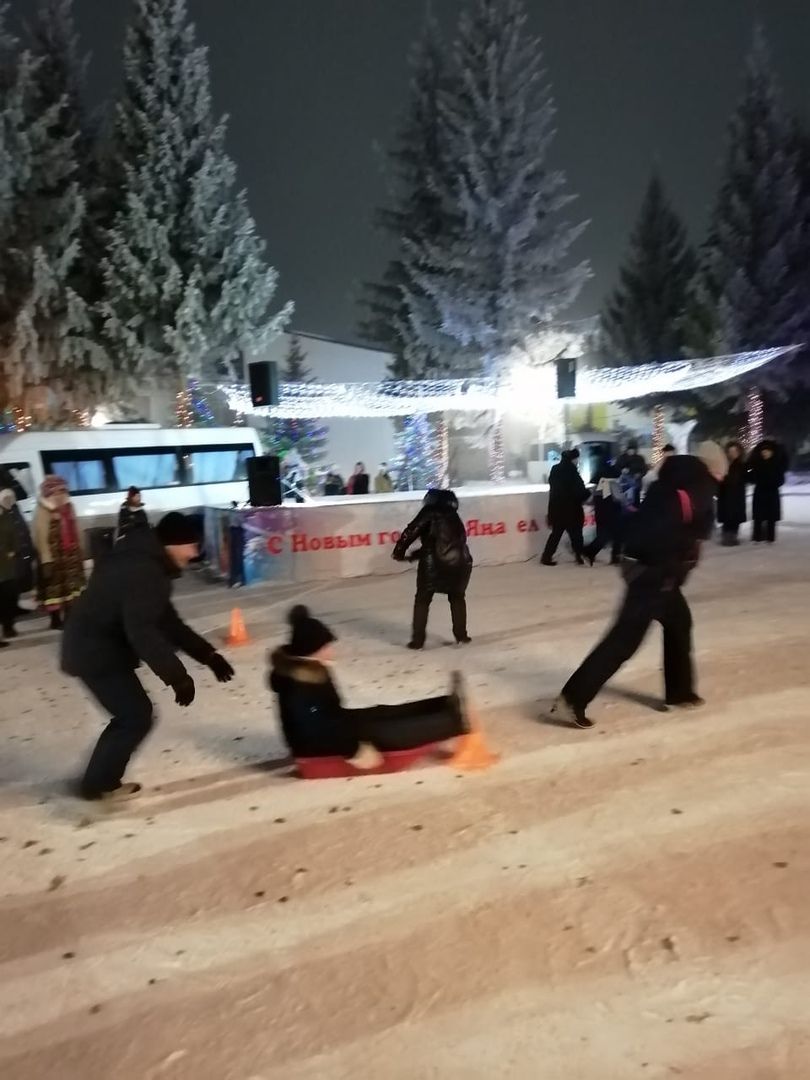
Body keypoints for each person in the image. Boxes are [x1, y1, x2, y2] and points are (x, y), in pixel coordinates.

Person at [61, 512, 235, 802]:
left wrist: (208, 655)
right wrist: (177, 678)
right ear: (172, 544)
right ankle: (98, 784)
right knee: (134, 716)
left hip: (99, 647)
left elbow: (168, 622)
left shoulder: (144, 562)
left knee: (134, 715)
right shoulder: (144, 571)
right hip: (94, 651)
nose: (195, 553)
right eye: (191, 545)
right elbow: (142, 633)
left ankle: (99, 780)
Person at [550, 454, 716, 728]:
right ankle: (572, 699)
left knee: (679, 624)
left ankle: (679, 692)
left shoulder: (667, 490)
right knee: (623, 641)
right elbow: (656, 536)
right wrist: (670, 564)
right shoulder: (685, 496)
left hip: (658, 574)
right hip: (655, 576)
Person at [268, 605, 470, 768]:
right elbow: (314, 730)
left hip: (335, 724)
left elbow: (325, 719)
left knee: (381, 712)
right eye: (326, 647)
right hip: (313, 745)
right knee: (386, 732)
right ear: (312, 650)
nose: (331, 651)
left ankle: (442, 704)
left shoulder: (309, 669)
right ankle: (452, 721)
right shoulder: (298, 686)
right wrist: (353, 750)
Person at [392, 488, 472, 650]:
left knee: (423, 599)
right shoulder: (455, 517)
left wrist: (399, 551)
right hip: (461, 563)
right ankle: (461, 636)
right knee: (457, 598)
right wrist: (417, 554)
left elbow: (411, 531)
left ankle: (418, 641)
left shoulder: (430, 511)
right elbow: (448, 541)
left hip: (434, 564)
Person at [32, 475, 86, 630]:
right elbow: (40, 536)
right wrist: (46, 559)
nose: (61, 494)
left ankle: (70, 616)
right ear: (50, 492)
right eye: (58, 491)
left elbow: (76, 528)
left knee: (71, 588)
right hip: (53, 557)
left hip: (71, 556)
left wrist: (80, 549)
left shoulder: (69, 507)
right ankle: (55, 620)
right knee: (53, 590)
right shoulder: (43, 510)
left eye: (63, 491)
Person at [541, 449, 589, 566]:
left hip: (556, 508)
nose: (577, 461)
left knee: (556, 534)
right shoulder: (573, 472)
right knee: (576, 534)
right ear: (573, 459)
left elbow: (553, 489)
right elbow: (580, 491)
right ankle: (579, 556)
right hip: (572, 509)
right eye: (577, 459)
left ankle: (546, 557)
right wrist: (587, 494)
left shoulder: (555, 469)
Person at [584, 455, 622, 566]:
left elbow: (591, 500)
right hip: (613, 512)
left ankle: (592, 553)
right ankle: (590, 551)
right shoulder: (612, 483)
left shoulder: (597, 486)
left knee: (603, 534)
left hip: (600, 512)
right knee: (613, 534)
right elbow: (619, 498)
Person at [749, 439, 787, 543]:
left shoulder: (777, 464)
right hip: (759, 492)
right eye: (763, 451)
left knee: (771, 516)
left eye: (767, 451)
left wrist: (773, 483)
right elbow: (751, 477)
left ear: (772, 452)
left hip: (772, 493)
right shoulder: (756, 464)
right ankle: (757, 536)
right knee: (758, 516)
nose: (765, 453)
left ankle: (770, 537)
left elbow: (781, 479)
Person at [716, 442, 747, 545]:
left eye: (734, 451)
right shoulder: (724, 463)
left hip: (736, 495)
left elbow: (740, 479)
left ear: (738, 452)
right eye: (730, 451)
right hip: (725, 495)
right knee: (727, 517)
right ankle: (726, 536)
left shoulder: (741, 465)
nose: (732, 453)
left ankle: (732, 536)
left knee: (734, 517)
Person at [0, 489, 20, 647]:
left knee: (9, 597)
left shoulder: (7, 515)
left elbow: (13, 534)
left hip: (7, 565)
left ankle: (8, 627)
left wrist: (12, 551)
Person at [615, 441, 649, 507]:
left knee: (636, 500)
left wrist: (639, 474)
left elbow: (644, 469)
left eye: (633, 449)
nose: (631, 451)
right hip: (624, 483)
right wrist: (622, 470)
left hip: (636, 482)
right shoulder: (622, 458)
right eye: (630, 449)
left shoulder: (640, 458)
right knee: (624, 500)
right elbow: (616, 468)